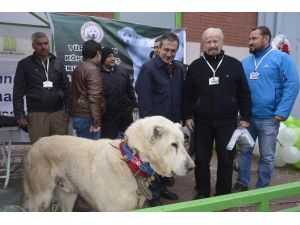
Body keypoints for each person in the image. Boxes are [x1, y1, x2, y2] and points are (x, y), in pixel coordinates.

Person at [182, 27, 252, 199]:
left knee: (226, 159)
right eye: (208, 42)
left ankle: (223, 193)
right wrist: (188, 116)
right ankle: (203, 191)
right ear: (203, 44)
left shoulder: (235, 64)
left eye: (215, 41)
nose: (212, 45)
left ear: (222, 42)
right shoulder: (195, 66)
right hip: (201, 122)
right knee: (201, 159)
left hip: (227, 122)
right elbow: (187, 95)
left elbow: (244, 92)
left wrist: (245, 117)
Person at [233, 26, 299, 191]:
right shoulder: (245, 62)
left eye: (254, 38)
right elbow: (237, 89)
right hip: (247, 119)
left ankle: (262, 188)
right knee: (244, 151)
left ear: (266, 39)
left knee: (267, 157)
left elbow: (293, 83)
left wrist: (281, 112)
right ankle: (242, 183)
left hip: (269, 119)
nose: (250, 42)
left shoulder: (281, 58)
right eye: (249, 39)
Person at [136, 32, 186, 207]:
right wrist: (150, 128)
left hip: (173, 126)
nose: (169, 54)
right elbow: (144, 100)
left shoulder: (178, 69)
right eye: (166, 49)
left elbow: (181, 96)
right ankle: (153, 195)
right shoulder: (148, 69)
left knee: (168, 159)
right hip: (157, 129)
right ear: (158, 49)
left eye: (173, 50)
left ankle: (163, 188)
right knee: (155, 161)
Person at [13, 32, 71, 143]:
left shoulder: (58, 62)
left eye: (46, 43)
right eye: (39, 44)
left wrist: (68, 110)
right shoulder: (24, 64)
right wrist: (20, 115)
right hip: (37, 115)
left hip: (58, 113)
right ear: (33, 46)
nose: (43, 46)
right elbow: (18, 93)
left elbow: (66, 88)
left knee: (59, 148)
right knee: (40, 149)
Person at [100, 47, 138, 139]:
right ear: (103, 59)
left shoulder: (123, 71)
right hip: (108, 119)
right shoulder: (98, 74)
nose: (113, 58)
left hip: (125, 117)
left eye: (113, 56)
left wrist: (135, 104)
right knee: (110, 146)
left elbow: (130, 90)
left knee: (129, 143)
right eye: (109, 56)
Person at [71, 40, 106, 140]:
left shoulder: (79, 67)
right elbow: (94, 97)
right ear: (98, 53)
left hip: (80, 116)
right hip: (88, 118)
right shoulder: (92, 70)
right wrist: (96, 122)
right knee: (91, 153)